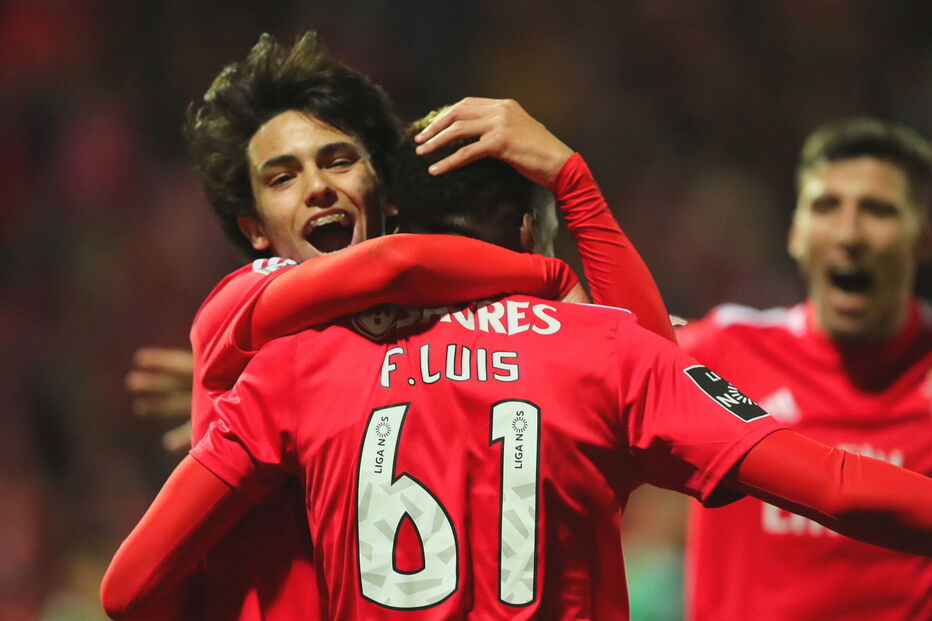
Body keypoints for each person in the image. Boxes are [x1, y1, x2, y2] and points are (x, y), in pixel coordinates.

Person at [101, 117, 932, 620]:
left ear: (392, 222)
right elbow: (838, 488)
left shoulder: (294, 365)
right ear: (534, 233)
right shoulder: (603, 349)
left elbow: (127, 589)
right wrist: (568, 205)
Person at [125, 32, 675, 620]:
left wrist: (573, 181)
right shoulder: (239, 300)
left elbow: (658, 384)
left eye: (339, 161)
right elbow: (391, 265)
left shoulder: (424, 349)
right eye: (282, 178)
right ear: (255, 228)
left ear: (385, 195)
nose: (318, 188)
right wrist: (546, 275)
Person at [679, 117, 932, 620]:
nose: (849, 234)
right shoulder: (723, 353)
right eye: (826, 206)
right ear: (795, 233)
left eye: (878, 210)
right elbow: (595, 360)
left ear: (922, 239)